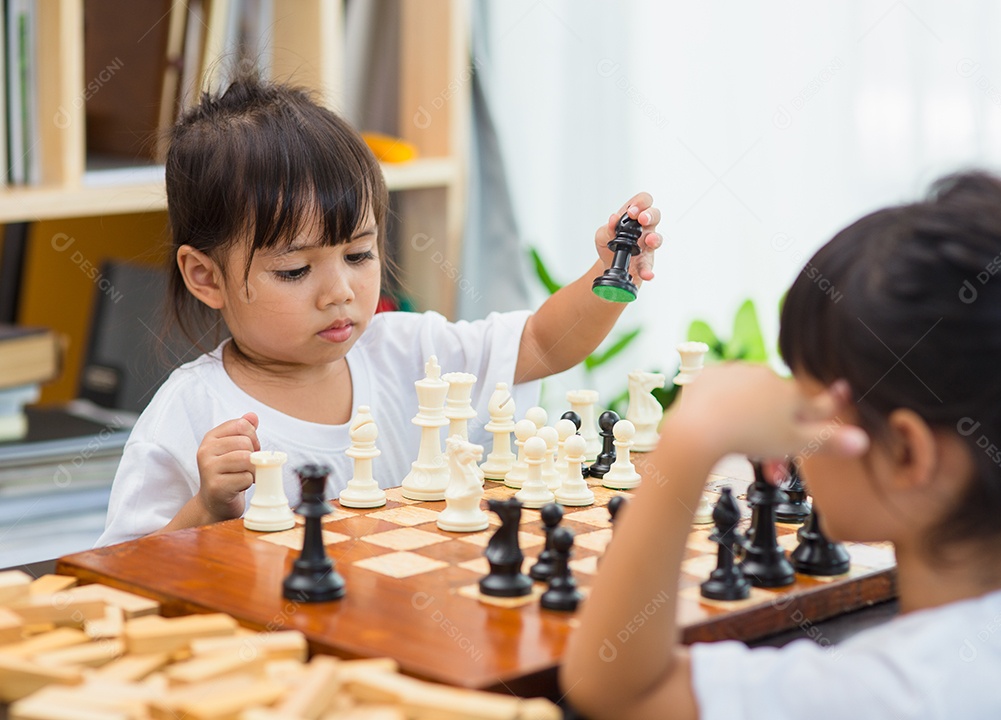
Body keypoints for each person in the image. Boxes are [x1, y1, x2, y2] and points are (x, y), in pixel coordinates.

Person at [562, 172, 1001, 719]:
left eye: (808, 407)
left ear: (907, 454)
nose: (797, 446)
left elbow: (615, 689)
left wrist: (694, 434)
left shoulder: (874, 696)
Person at [96, 76, 663, 547]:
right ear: (206, 277)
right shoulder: (190, 412)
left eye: (359, 254)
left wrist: (611, 274)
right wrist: (203, 508)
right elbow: (118, 582)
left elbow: (541, 343)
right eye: (295, 271)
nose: (339, 291)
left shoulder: (407, 353)